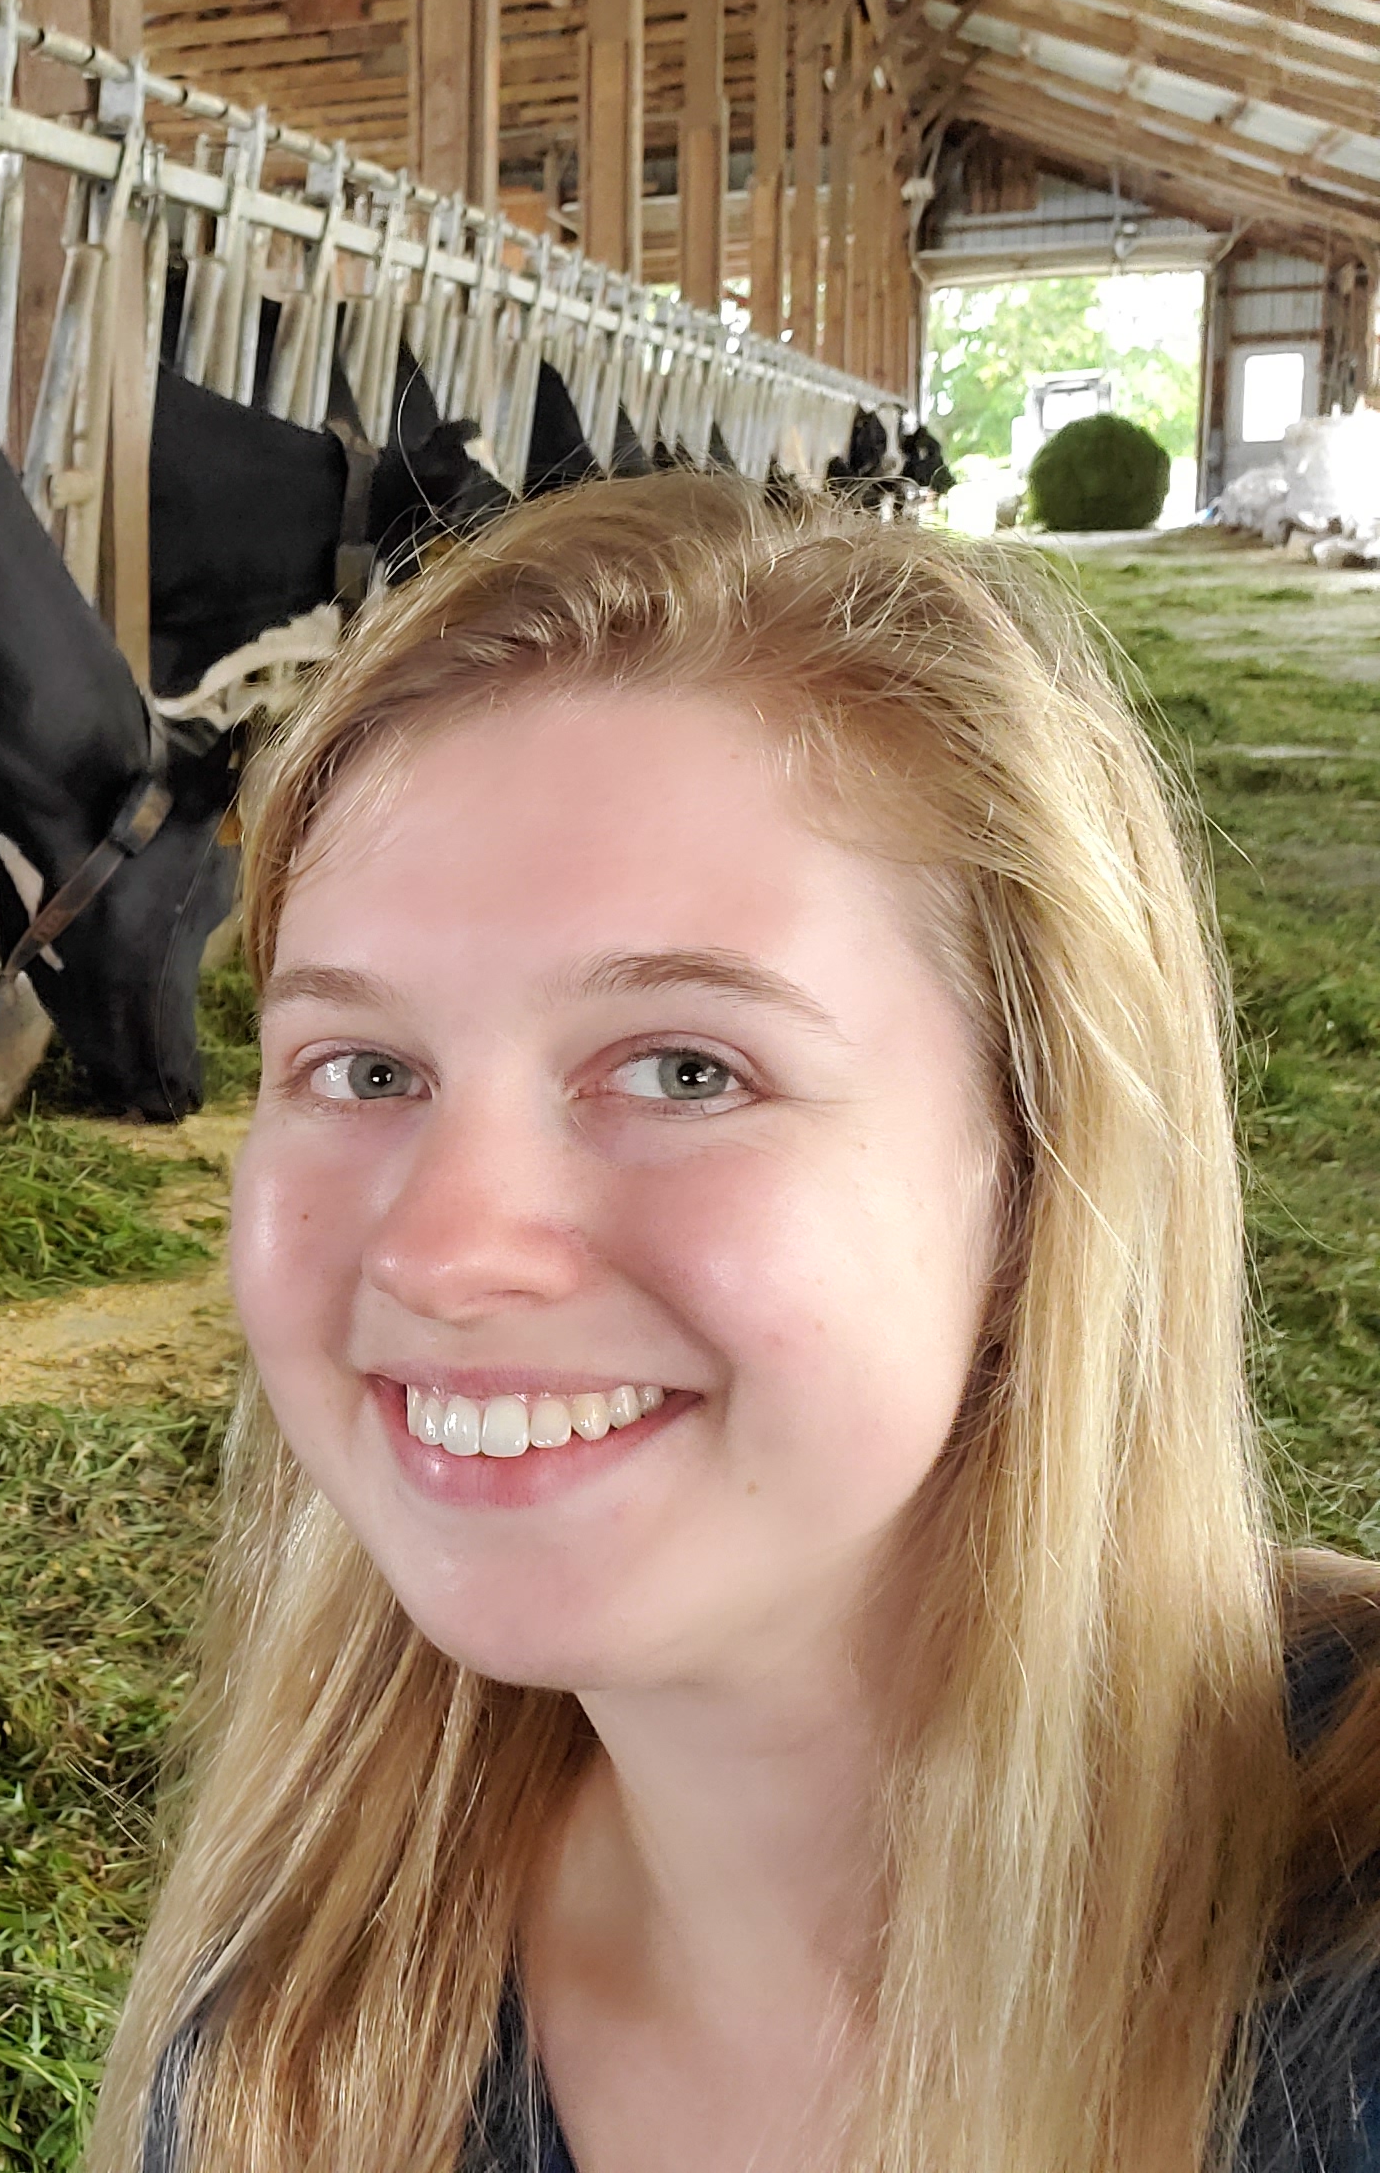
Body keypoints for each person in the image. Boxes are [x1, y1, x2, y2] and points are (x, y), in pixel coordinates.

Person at [87, 471, 1380, 2173]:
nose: (448, 1255)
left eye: (689, 1069)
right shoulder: (299, 2044)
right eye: (366, 1067)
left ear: (1043, 1168)